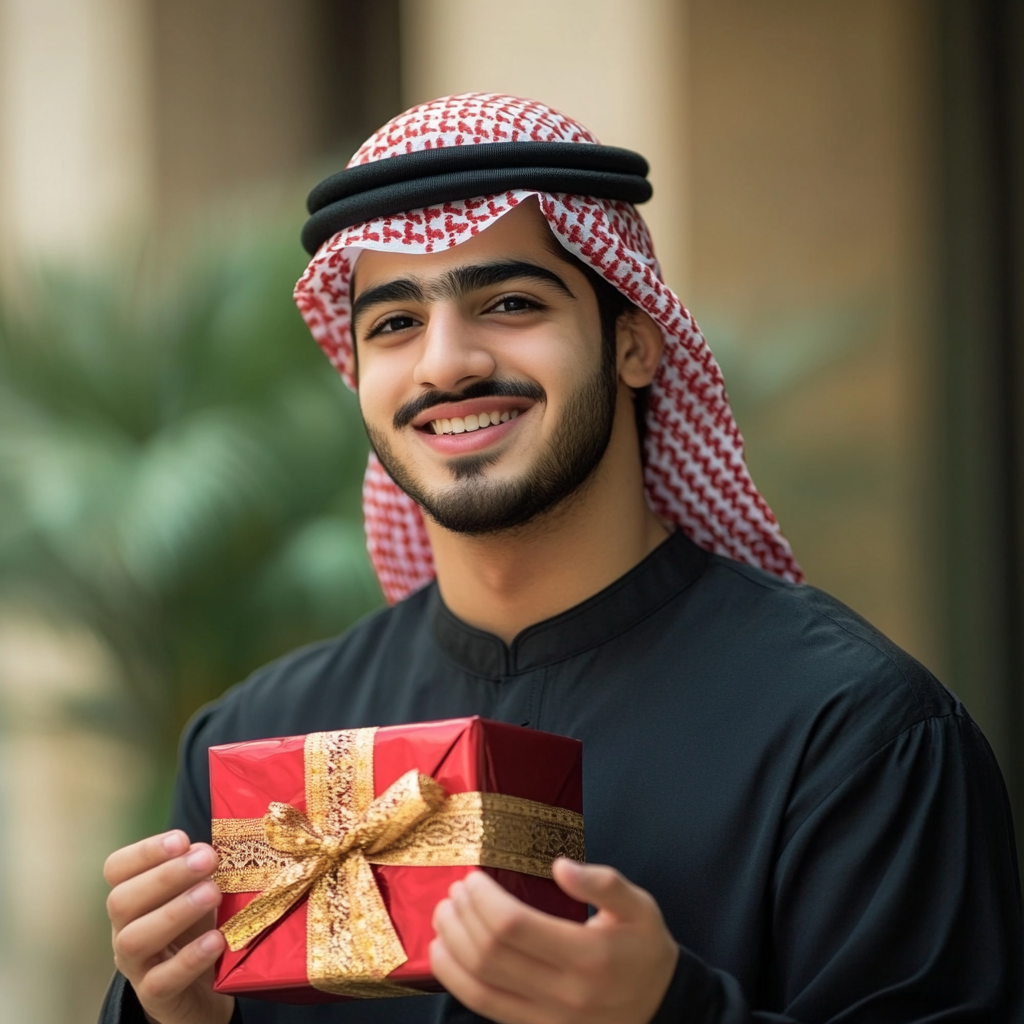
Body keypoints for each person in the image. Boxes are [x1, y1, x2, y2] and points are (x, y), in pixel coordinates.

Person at [99, 94, 1023, 1024]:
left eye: (508, 303)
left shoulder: (850, 733)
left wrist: (671, 1013)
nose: (445, 365)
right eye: (393, 324)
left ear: (633, 343)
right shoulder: (259, 742)